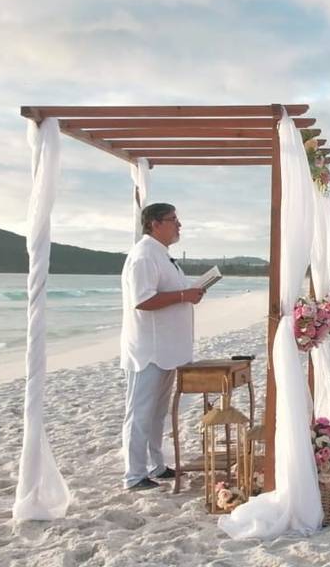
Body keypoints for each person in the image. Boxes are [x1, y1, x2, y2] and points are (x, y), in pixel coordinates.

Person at [120, 203, 205, 490]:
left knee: (158, 413)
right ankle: (134, 474)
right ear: (155, 224)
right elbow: (142, 300)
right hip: (149, 349)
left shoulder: (163, 255)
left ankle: (156, 465)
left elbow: (169, 293)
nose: (178, 225)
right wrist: (184, 295)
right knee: (140, 412)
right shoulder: (144, 256)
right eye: (173, 220)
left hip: (168, 350)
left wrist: (189, 294)